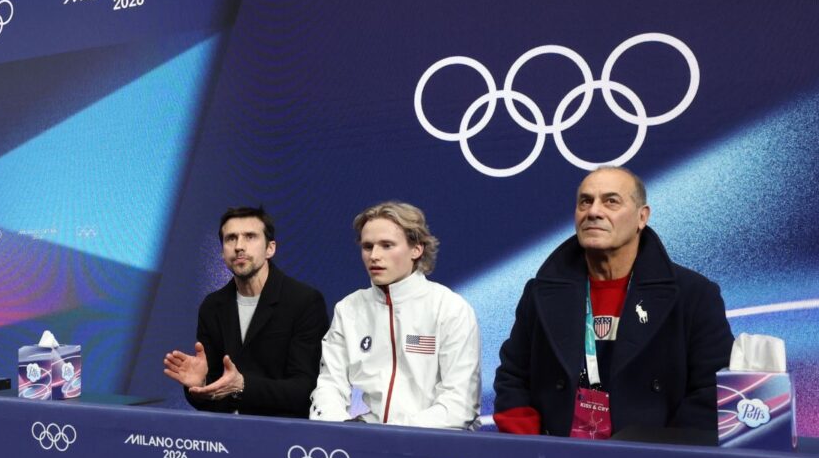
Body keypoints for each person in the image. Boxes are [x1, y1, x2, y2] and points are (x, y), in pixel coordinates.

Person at [493, 166, 734, 439]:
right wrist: (530, 449)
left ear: (642, 217)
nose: (593, 212)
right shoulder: (539, 292)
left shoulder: (694, 295)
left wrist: (667, 451)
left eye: (611, 201)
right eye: (585, 201)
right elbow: (512, 376)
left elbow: (714, 389)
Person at [309, 202, 481, 428]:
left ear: (416, 249)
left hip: (437, 447)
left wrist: (394, 437)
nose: (374, 256)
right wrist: (341, 431)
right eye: (367, 246)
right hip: (366, 441)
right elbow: (330, 385)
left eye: (387, 245)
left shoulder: (450, 308)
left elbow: (460, 404)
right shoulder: (349, 309)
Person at [163, 206, 328, 418]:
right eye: (231, 238)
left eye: (250, 237)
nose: (239, 246)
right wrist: (201, 385)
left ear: (270, 248)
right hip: (224, 438)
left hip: (284, 439)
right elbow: (214, 396)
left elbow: (306, 389)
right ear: (222, 253)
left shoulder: (304, 301)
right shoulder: (212, 306)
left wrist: (242, 386)